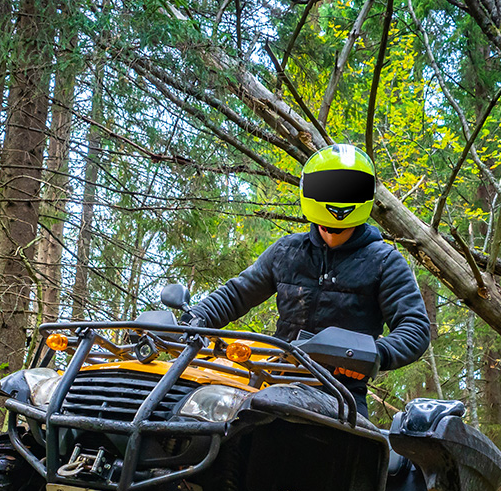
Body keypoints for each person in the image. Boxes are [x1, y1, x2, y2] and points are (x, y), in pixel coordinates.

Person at [185, 143, 431, 418]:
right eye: (329, 188)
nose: (339, 197)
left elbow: (415, 327)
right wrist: (194, 319)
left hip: (340, 395)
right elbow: (236, 295)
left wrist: (374, 354)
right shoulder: (287, 252)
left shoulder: (384, 260)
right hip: (273, 384)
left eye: (349, 188)